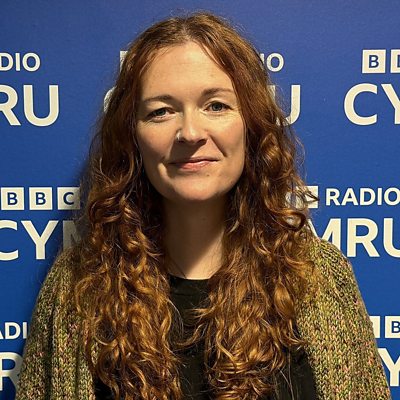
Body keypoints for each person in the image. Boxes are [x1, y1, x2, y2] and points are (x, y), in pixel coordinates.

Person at [15, 11, 391, 400]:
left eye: (216, 105)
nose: (191, 133)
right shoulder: (77, 285)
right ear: (133, 136)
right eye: (161, 111)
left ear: (251, 124)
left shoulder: (320, 277)